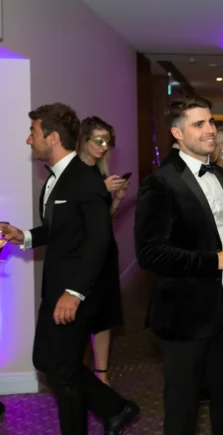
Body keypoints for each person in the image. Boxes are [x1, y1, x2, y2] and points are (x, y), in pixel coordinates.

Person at [0, 103, 138, 435]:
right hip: (57, 287)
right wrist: (26, 236)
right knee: (50, 362)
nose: (28, 140)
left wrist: (74, 294)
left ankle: (116, 408)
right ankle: (114, 408)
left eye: (33, 133)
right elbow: (61, 228)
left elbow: (98, 241)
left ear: (53, 137)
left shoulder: (84, 180)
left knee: (60, 366)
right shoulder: (59, 178)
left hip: (74, 292)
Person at [134, 95, 223, 435]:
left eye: (211, 122)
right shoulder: (160, 182)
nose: (210, 129)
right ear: (177, 134)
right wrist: (217, 260)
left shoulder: (219, 173)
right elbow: (150, 254)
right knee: (182, 408)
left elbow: (221, 230)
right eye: (199, 124)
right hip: (185, 312)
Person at [77, 116, 128, 386]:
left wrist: (116, 200)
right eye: (99, 139)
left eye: (107, 141)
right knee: (84, 315)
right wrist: (100, 189)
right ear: (84, 139)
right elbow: (71, 220)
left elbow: (102, 219)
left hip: (106, 252)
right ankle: (82, 372)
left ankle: (103, 375)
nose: (104, 145)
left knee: (105, 315)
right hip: (83, 256)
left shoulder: (99, 173)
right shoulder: (75, 174)